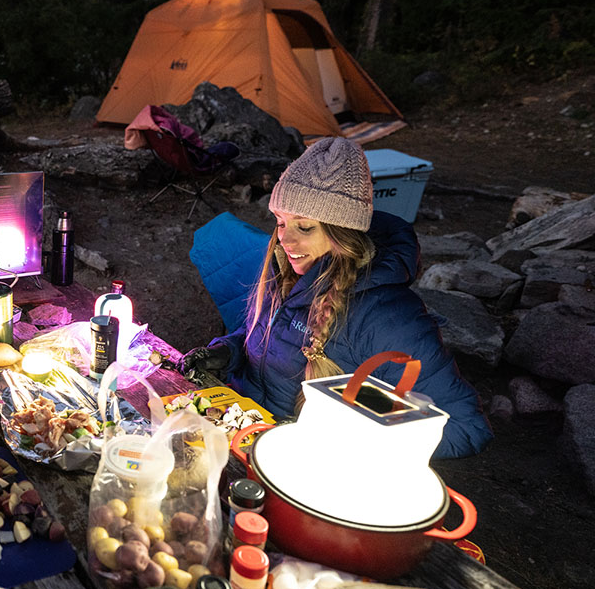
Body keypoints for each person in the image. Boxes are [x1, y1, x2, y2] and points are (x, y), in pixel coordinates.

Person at [181, 137, 492, 459]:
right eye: (281, 222)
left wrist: (350, 437)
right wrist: (230, 351)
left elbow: (465, 426)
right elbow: (278, 336)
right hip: (243, 430)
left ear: (342, 232)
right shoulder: (289, 273)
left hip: (304, 464)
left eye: (304, 227)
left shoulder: (388, 317)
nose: (285, 239)